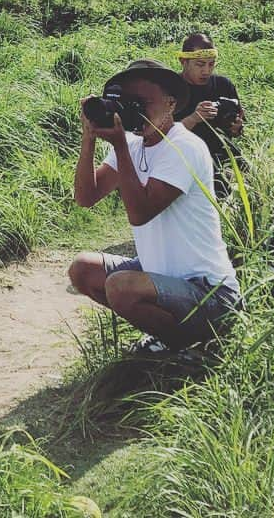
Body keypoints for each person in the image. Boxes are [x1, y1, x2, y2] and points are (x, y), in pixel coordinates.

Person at [68, 59, 240, 356]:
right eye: (128, 103)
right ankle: (165, 332)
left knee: (122, 287)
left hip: (209, 292)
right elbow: (86, 197)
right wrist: (89, 139)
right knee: (83, 270)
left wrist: (121, 146)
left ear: (171, 103)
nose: (135, 111)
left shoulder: (183, 145)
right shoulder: (133, 145)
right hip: (159, 274)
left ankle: (192, 346)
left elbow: (140, 212)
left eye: (142, 102)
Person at [175, 32, 245, 197]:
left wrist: (237, 128)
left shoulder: (223, 85)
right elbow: (161, 135)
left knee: (250, 183)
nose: (206, 71)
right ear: (183, 61)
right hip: (185, 155)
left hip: (221, 150)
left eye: (211, 64)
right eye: (200, 65)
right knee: (220, 191)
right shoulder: (171, 90)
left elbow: (236, 127)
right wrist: (193, 119)